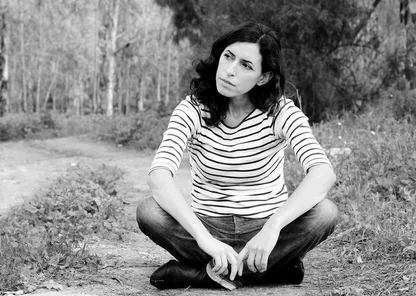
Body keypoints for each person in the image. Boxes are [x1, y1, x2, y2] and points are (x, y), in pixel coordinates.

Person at [136, 22, 338, 290]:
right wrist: (203, 239)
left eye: (246, 65)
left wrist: (273, 228)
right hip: (208, 229)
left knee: (325, 212)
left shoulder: (280, 112)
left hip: (264, 229)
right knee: (149, 212)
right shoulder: (192, 109)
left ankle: (204, 275)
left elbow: (323, 173)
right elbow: (159, 177)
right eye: (228, 57)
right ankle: (269, 270)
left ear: (263, 77)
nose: (230, 70)